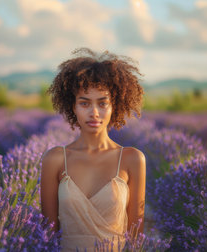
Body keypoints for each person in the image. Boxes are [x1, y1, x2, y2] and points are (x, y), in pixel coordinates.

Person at [40, 47, 146, 251]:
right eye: (85, 103)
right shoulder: (55, 159)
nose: (94, 112)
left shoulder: (132, 159)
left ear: (114, 106)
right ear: (73, 106)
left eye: (103, 103)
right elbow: (47, 237)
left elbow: (136, 240)